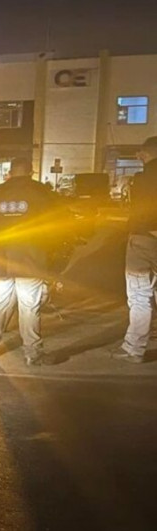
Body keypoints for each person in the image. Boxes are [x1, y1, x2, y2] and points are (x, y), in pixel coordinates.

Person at [0, 157, 62, 366]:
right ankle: (32, 354)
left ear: (10, 173)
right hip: (31, 261)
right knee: (29, 307)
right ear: (31, 172)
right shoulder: (43, 194)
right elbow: (58, 228)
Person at [112, 136, 157, 363]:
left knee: (140, 295)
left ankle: (134, 348)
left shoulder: (142, 179)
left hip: (143, 238)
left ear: (145, 154)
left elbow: (139, 210)